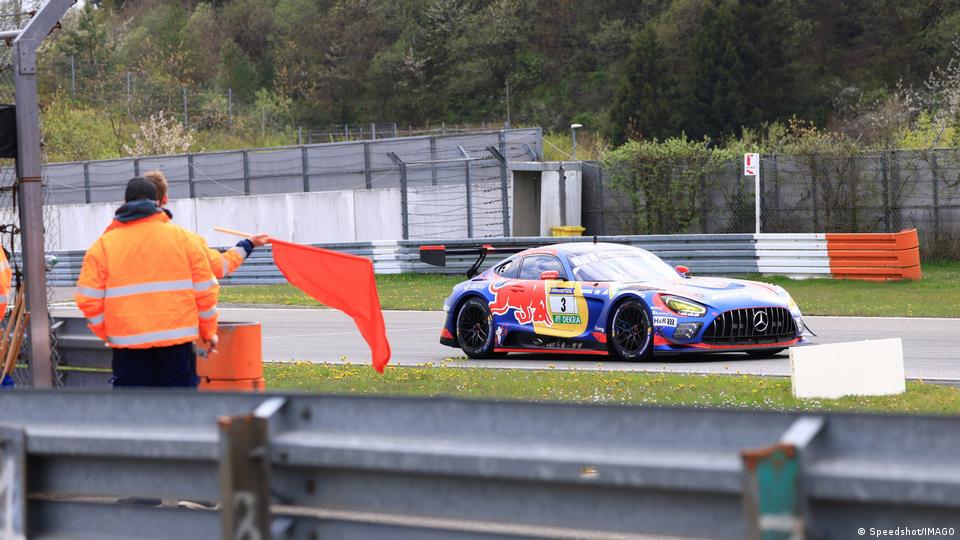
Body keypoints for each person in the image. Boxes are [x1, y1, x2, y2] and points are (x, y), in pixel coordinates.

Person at [75, 178, 219, 387]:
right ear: (159, 203)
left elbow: (88, 300)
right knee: (178, 412)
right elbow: (206, 292)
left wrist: (110, 333)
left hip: (128, 347)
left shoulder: (103, 246)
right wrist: (208, 332)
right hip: (176, 346)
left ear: (125, 203)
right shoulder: (185, 240)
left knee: (136, 414)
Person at [142, 170, 269, 279]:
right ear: (165, 199)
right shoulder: (185, 241)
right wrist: (249, 243)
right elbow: (221, 265)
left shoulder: (121, 240)